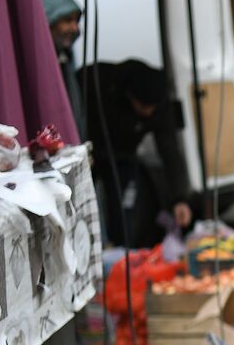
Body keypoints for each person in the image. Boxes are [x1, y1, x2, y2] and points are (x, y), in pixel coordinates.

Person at [80, 59, 192, 248]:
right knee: (85, 203)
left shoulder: (160, 106)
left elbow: (170, 152)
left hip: (124, 156)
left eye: (152, 109)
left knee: (125, 211)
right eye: (143, 106)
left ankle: (122, 251)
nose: (148, 112)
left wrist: (179, 198)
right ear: (130, 96)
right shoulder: (100, 81)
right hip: (91, 151)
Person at [38, 0, 85, 138]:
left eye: (76, 20)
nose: (75, 27)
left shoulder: (64, 58)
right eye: (67, 20)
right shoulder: (37, 66)